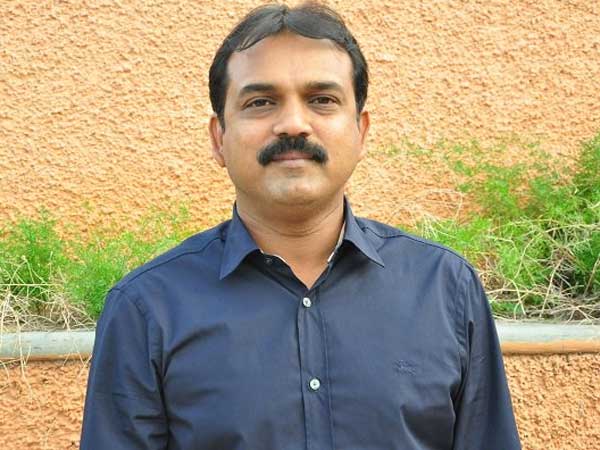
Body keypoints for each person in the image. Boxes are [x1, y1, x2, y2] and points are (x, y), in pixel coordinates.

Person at [80, 3, 521, 449]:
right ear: (219, 138)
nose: (293, 124)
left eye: (321, 100)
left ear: (361, 131)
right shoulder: (147, 309)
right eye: (260, 102)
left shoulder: (445, 289)